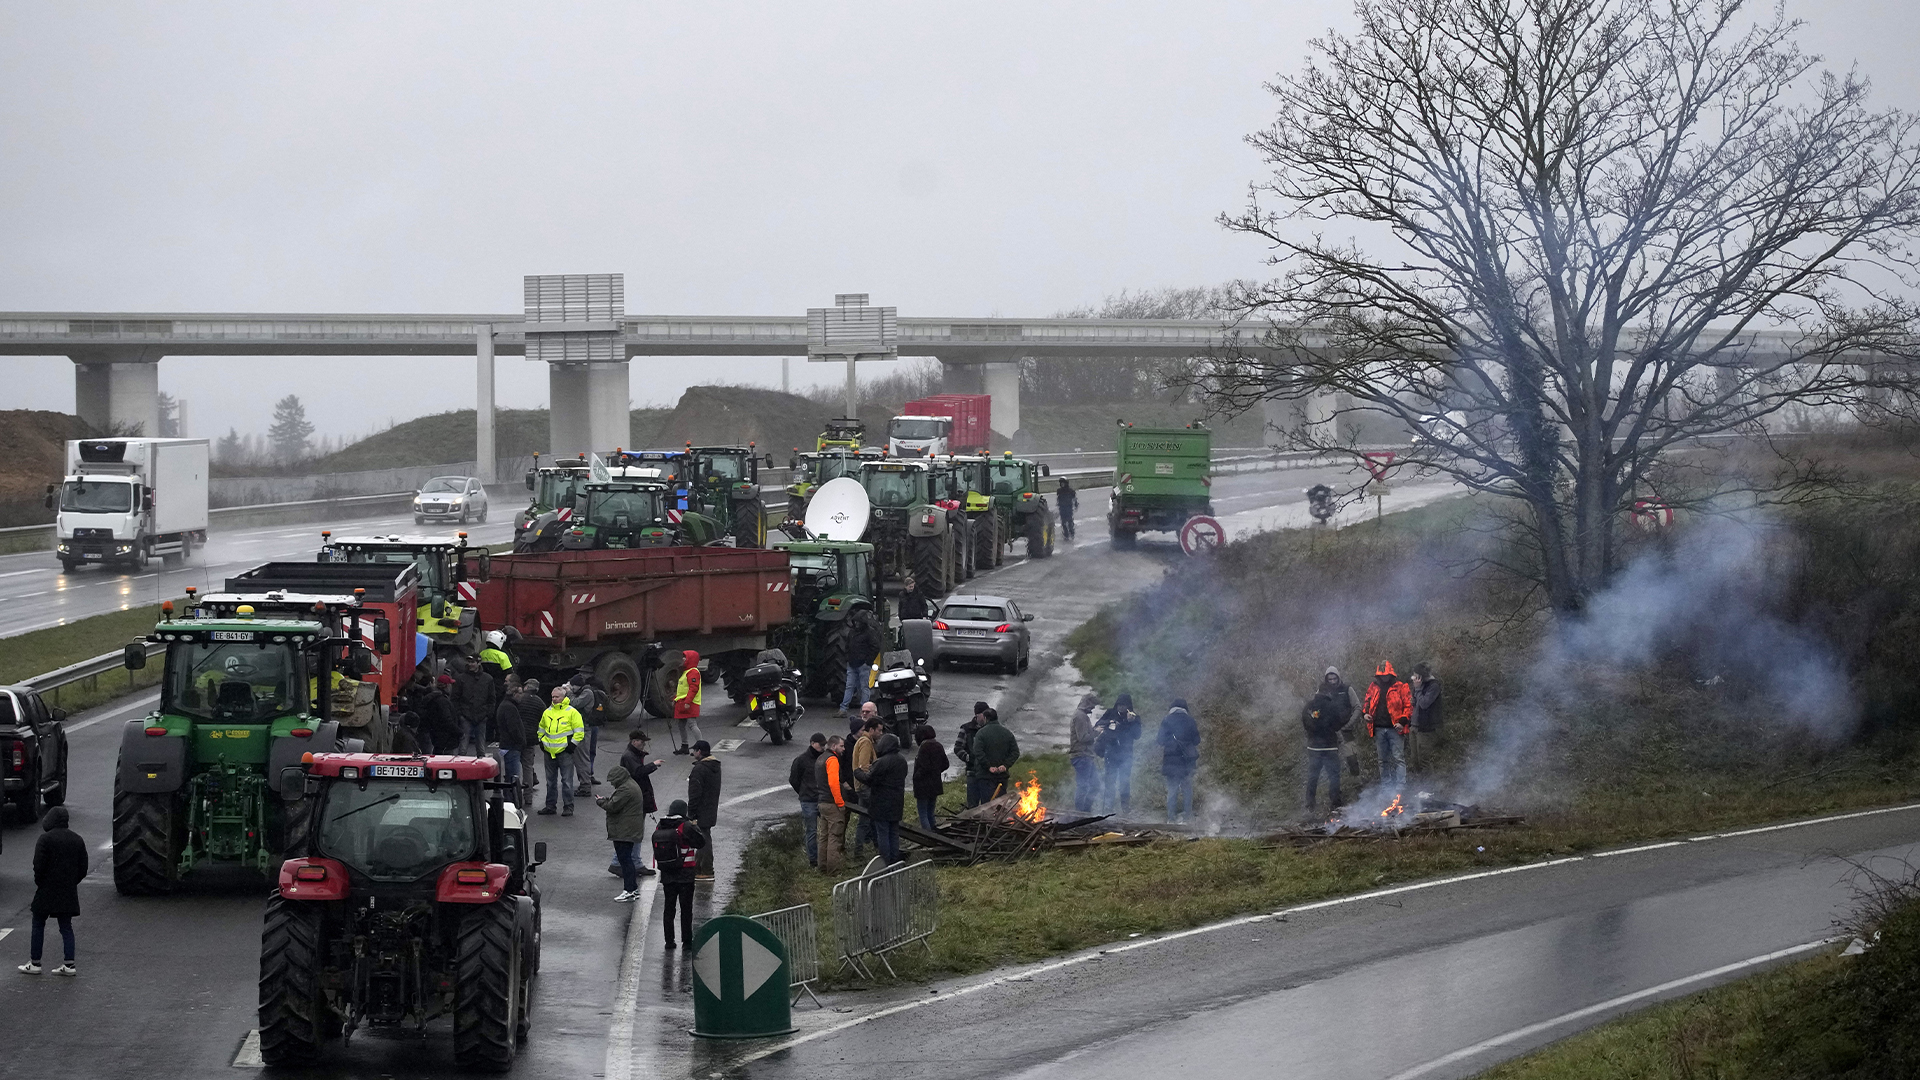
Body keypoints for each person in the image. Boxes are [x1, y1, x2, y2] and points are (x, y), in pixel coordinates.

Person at [18, 806, 86, 976]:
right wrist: (72, 882)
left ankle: (35, 963)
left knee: (38, 923)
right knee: (66, 926)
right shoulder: (77, 839)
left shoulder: (45, 839)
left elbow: (38, 865)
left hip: (46, 889)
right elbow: (83, 867)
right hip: (67, 890)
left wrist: (40, 882)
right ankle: (69, 965)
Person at [651, 799, 706, 948]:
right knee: (686, 909)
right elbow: (701, 842)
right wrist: (695, 825)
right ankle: (687, 942)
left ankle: (669, 941)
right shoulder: (685, 826)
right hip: (685, 874)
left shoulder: (660, 825)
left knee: (669, 908)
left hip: (667, 873)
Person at [608, 730, 662, 879]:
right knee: (632, 832)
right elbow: (638, 772)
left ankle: (632, 863)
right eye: (641, 741)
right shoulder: (629, 756)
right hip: (634, 799)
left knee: (634, 831)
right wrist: (653, 765)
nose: (644, 743)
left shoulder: (632, 754)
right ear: (634, 742)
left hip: (636, 797)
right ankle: (621, 863)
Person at [596, 764, 650, 901]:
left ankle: (630, 889)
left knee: (625, 860)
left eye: (613, 780)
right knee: (626, 860)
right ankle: (632, 889)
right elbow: (617, 803)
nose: (612, 783)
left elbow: (612, 806)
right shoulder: (630, 785)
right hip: (628, 829)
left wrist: (601, 802)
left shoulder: (625, 789)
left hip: (624, 830)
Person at [854, 733, 909, 864]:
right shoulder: (901, 760)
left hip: (881, 803)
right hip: (897, 801)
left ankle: (885, 861)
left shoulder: (882, 762)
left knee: (883, 834)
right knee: (894, 833)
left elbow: (869, 779)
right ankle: (895, 860)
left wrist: (857, 772)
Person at [536, 685, 585, 816]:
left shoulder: (572, 712)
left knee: (567, 781)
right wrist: (541, 741)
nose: (554, 699)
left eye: (557, 697)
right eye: (552, 697)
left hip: (564, 752)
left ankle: (568, 807)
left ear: (564, 697)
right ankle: (550, 806)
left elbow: (579, 731)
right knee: (550, 782)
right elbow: (541, 728)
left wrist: (572, 746)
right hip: (549, 752)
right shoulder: (547, 712)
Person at [1364, 661, 1413, 789]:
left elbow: (1408, 706)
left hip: (1395, 729)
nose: (1384, 677)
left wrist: (1402, 722)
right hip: (1379, 728)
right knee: (1382, 760)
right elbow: (1367, 702)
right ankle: (1386, 787)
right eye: (1381, 675)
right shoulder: (1373, 687)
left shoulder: (1401, 687)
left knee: (1398, 758)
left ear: (1391, 674)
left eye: (1386, 674)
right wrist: (1365, 714)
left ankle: (1401, 786)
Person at [1093, 693, 1141, 815]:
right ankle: (1108, 808)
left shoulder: (1134, 717)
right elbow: (1097, 724)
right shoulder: (1110, 713)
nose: (1121, 708)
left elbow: (1137, 735)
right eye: (1119, 705)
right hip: (1111, 753)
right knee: (1110, 781)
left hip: (1126, 755)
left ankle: (1125, 808)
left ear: (1128, 706)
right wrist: (1110, 722)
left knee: (1124, 782)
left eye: (1123, 705)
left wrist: (1130, 722)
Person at [1301, 683, 1345, 812]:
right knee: (1334, 776)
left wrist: (1315, 731)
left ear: (1317, 691)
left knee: (1313, 775)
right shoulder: (1333, 706)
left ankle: (1310, 804)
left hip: (1314, 747)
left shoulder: (1309, 706)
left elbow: (1306, 724)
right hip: (1330, 746)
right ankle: (1335, 803)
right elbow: (1338, 725)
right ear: (1328, 693)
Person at [1158, 699, 1201, 823]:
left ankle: (1171, 818)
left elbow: (1160, 740)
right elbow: (1197, 740)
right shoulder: (1190, 720)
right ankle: (1188, 817)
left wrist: (1171, 743)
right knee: (1187, 789)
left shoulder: (1167, 720)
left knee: (1172, 790)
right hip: (1187, 762)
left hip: (1171, 762)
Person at [839, 604, 885, 716]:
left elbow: (875, 647)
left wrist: (867, 661)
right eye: (856, 622)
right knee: (854, 686)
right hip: (854, 663)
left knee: (863, 687)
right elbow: (848, 646)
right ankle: (844, 709)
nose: (857, 624)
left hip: (862, 665)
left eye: (859, 622)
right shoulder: (855, 632)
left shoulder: (867, 632)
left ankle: (863, 710)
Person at [814, 734, 851, 873]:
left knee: (824, 837)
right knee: (834, 837)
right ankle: (833, 870)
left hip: (822, 802)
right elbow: (834, 783)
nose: (844, 749)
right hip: (832, 803)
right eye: (841, 746)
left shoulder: (820, 759)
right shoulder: (832, 760)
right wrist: (840, 803)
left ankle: (822, 867)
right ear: (833, 746)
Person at [790, 733, 827, 867]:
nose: (823, 747)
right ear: (812, 743)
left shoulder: (823, 758)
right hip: (809, 800)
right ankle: (813, 860)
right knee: (812, 831)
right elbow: (794, 779)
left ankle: (822, 857)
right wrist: (803, 792)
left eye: (824, 744)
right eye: (821, 744)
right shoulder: (801, 760)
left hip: (820, 799)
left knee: (822, 830)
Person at [686, 741, 722, 881]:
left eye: (694, 750)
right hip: (710, 808)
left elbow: (695, 793)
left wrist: (691, 813)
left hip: (701, 809)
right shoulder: (714, 766)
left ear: (699, 752)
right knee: (704, 836)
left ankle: (706, 870)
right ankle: (698, 868)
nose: (693, 753)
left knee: (703, 840)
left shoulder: (699, 769)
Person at [969, 707, 1020, 803]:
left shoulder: (981, 733)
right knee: (1000, 804)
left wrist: (988, 766)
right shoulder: (1007, 733)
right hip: (1002, 776)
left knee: (987, 805)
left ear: (985, 718)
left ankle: (988, 819)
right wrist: (1005, 765)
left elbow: (978, 752)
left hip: (985, 776)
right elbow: (1015, 752)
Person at [849, 713, 882, 860]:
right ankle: (875, 847)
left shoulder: (867, 741)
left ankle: (862, 850)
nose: (881, 734)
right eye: (879, 730)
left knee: (866, 819)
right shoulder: (866, 742)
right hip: (865, 786)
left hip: (862, 786)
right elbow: (863, 767)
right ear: (871, 730)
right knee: (875, 816)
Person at [570, 672, 609, 794]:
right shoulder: (585, 691)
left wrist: (569, 693)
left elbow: (574, 704)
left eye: (572, 686)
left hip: (584, 729)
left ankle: (585, 785)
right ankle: (586, 781)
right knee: (584, 756)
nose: (571, 688)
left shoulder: (587, 693)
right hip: (584, 728)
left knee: (582, 758)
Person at [1320, 667, 1360, 779]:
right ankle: (1336, 790)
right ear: (1326, 679)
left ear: (1338, 677)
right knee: (1332, 763)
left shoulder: (1347, 689)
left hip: (1346, 731)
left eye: (1334, 679)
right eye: (1330, 679)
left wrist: (1350, 724)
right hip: (1330, 734)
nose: (1332, 682)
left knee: (1352, 760)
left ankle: (1358, 785)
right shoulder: (1322, 691)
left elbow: (1357, 707)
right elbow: (1316, 710)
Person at [452, 654, 495, 756]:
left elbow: (492, 698)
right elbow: (455, 698)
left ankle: (482, 768)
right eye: (469, 662)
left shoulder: (488, 679)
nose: (470, 664)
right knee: (463, 747)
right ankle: (461, 767)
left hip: (481, 716)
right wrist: (460, 715)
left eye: (472, 662)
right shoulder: (461, 678)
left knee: (481, 747)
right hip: (466, 715)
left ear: (478, 663)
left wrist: (488, 714)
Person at [492, 680, 530, 795]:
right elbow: (513, 728)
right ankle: (511, 800)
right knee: (513, 777)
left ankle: (510, 797)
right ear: (514, 694)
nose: (522, 696)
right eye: (520, 693)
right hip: (511, 746)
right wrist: (521, 741)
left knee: (509, 775)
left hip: (507, 744)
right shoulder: (510, 708)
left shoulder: (505, 705)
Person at [911, 723, 947, 832]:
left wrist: (917, 776)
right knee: (930, 810)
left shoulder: (924, 747)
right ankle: (933, 829)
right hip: (935, 783)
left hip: (923, 785)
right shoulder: (938, 745)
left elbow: (923, 766)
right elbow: (946, 764)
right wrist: (936, 771)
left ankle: (927, 834)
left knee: (923, 812)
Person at [1068, 692, 1100, 813]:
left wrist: (1093, 731)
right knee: (1083, 786)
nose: (1093, 708)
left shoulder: (1082, 716)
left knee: (1095, 785)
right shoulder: (1080, 716)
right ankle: (1080, 814)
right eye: (1093, 705)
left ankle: (1086, 811)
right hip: (1081, 756)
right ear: (1087, 703)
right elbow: (1083, 738)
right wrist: (1096, 732)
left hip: (1086, 756)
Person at [1410, 661, 1443, 771]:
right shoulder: (1419, 685)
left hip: (1426, 728)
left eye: (1416, 675)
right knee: (1415, 760)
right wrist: (1413, 697)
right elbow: (1416, 703)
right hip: (1414, 726)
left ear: (1421, 676)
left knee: (1424, 760)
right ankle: (1420, 786)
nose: (1414, 677)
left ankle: (1428, 786)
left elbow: (1424, 704)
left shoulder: (1434, 686)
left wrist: (1418, 689)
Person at [418, 675, 462, 756]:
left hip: (437, 738)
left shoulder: (434, 698)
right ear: (446, 686)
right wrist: (459, 732)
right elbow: (447, 720)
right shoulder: (442, 701)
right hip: (446, 740)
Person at [954, 701, 988, 804]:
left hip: (987, 773)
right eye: (984, 715)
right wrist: (969, 758)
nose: (986, 718)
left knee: (987, 805)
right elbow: (958, 748)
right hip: (972, 772)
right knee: (972, 804)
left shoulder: (989, 729)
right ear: (977, 715)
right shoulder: (966, 729)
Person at [513, 679, 544, 793]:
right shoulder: (540, 702)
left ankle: (514, 794)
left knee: (514, 765)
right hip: (531, 738)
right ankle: (528, 795)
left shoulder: (518, 700)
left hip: (517, 736)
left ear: (526, 687)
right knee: (528, 766)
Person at [671, 650, 704, 755]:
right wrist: (675, 699)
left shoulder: (692, 672)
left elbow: (693, 688)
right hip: (682, 702)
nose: (683, 659)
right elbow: (682, 689)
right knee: (681, 724)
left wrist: (688, 701)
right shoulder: (686, 672)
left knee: (692, 724)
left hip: (689, 703)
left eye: (685, 657)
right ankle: (684, 746)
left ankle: (701, 747)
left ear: (691, 659)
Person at [477, 630, 515, 694]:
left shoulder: (481, 653)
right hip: (498, 688)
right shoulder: (502, 656)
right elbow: (510, 672)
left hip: (483, 686)